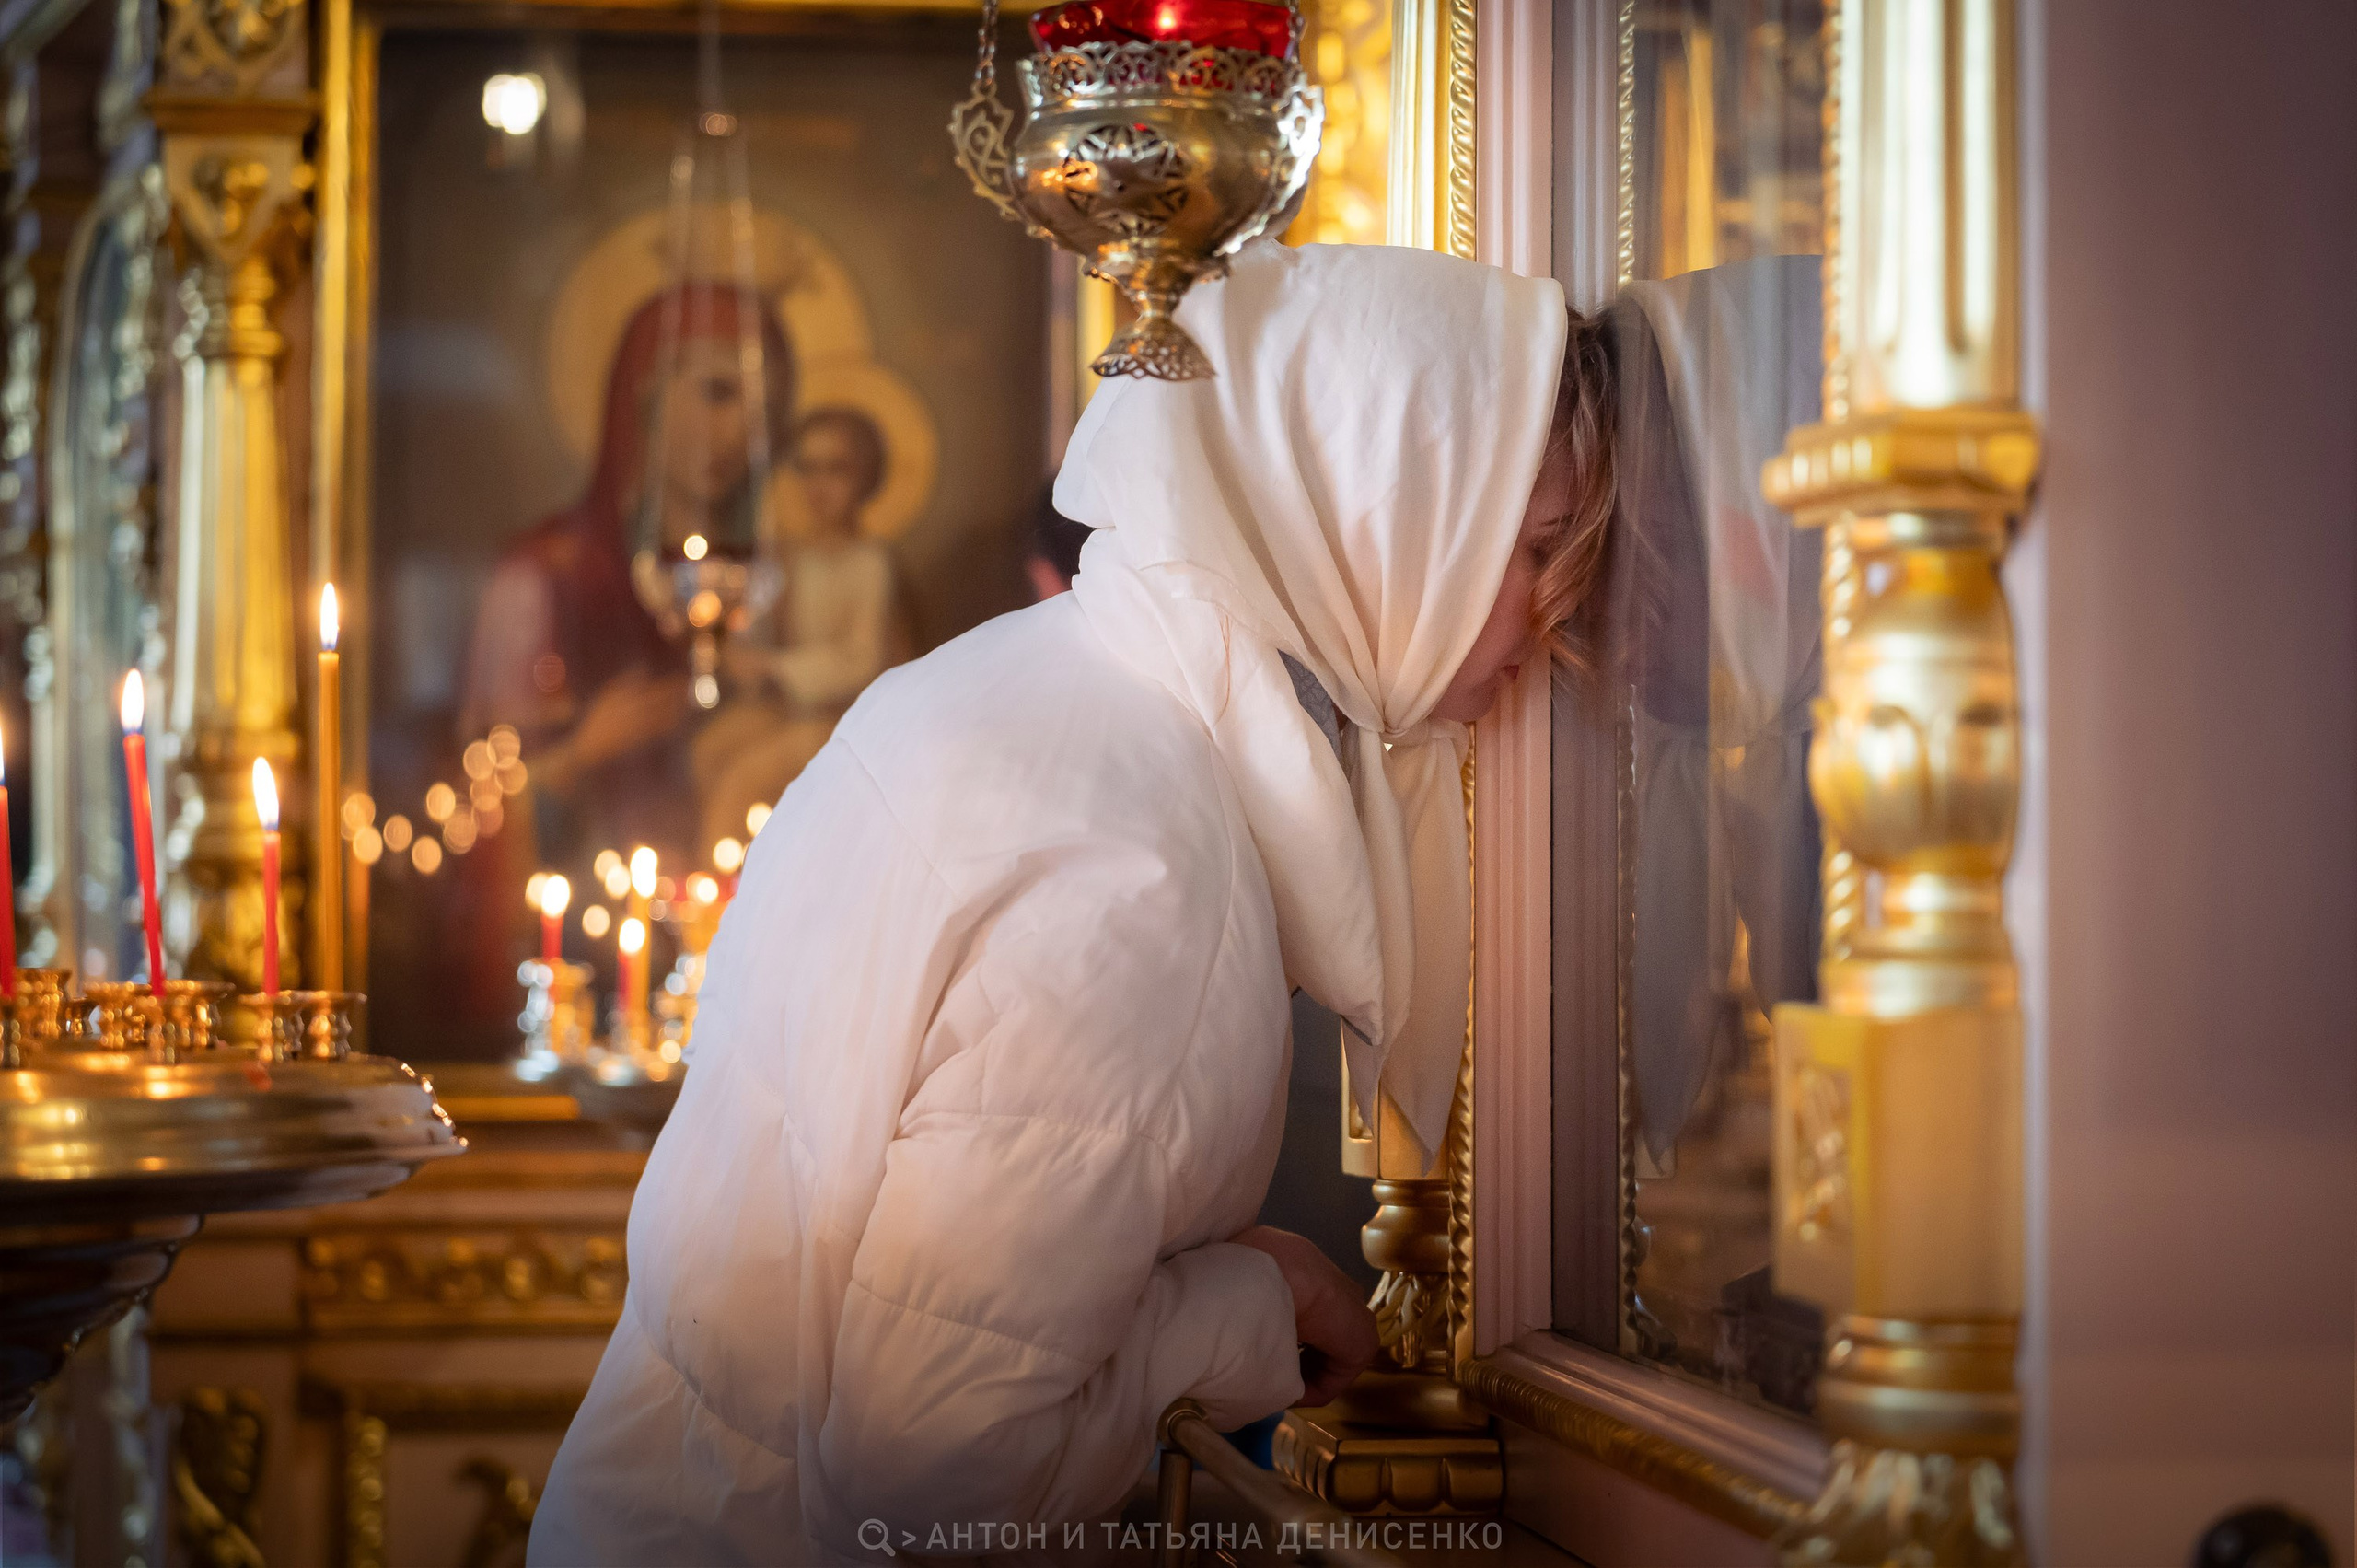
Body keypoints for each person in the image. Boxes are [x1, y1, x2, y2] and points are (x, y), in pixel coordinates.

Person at [528, 240, 1618, 1566]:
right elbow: (930, 1477)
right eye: (1537, 548)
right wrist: (1252, 1297)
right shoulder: (1147, 874)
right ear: (1389, 512)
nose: (1551, 623)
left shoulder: (1037, 684)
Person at [692, 405, 915, 855]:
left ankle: (718, 897)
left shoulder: (869, 563)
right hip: (792, 708)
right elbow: (756, 630)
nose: (819, 487)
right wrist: (736, 642)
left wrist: (775, 669)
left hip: (849, 718)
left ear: (865, 479)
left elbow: (861, 658)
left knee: (745, 778)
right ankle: (736, 869)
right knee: (713, 749)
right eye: (808, 469)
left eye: (836, 470)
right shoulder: (791, 556)